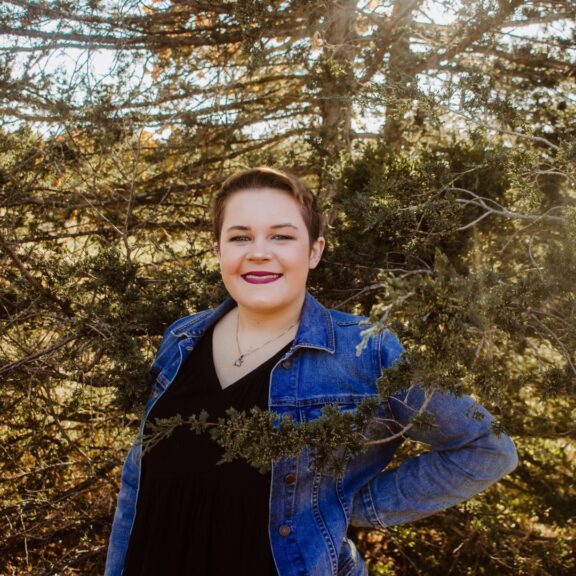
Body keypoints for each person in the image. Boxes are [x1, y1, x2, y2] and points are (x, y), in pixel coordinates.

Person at [105, 167, 518, 576]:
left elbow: (485, 448)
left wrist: (346, 506)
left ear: (315, 251)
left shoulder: (366, 351)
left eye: (281, 236)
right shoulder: (182, 339)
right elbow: (137, 481)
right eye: (240, 237)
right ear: (218, 251)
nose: (258, 252)